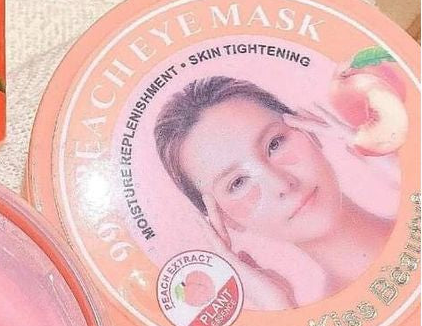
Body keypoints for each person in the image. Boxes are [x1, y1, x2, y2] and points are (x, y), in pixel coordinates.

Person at [154, 76, 394, 309]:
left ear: (309, 130)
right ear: (225, 220)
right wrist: (281, 310)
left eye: (274, 144)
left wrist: (400, 165)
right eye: (238, 183)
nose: (281, 184)